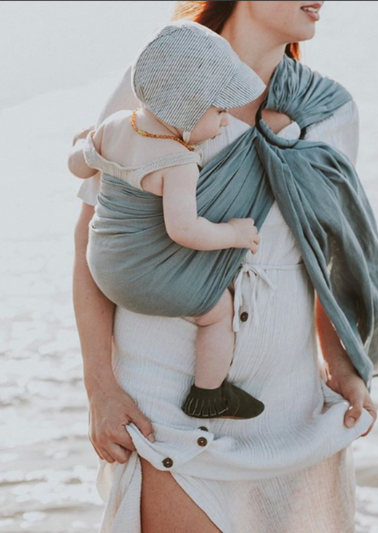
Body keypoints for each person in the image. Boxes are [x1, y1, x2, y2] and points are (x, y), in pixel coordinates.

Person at [72, 2, 378, 532]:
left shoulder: (330, 112)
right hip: (166, 410)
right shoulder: (165, 72)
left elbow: (324, 254)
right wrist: (100, 387)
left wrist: (342, 365)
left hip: (290, 414)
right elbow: (94, 238)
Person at [69, 20, 267, 420]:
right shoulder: (178, 162)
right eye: (219, 111)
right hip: (142, 282)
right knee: (218, 314)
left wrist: (79, 144)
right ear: (189, 108)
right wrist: (234, 233)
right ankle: (209, 394)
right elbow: (185, 230)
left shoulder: (114, 126)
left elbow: (78, 166)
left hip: (102, 266)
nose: (226, 121)